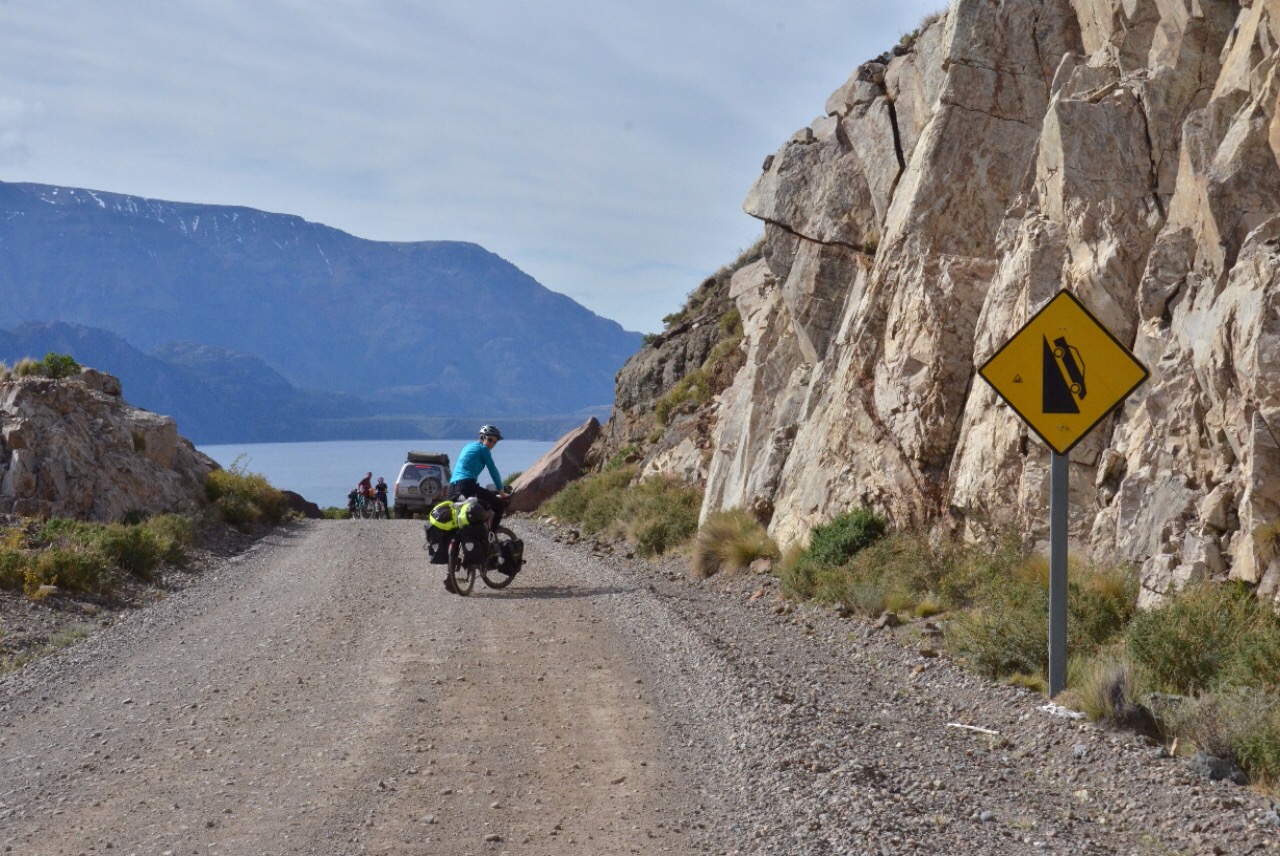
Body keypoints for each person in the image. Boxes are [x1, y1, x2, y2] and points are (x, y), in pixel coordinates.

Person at [449, 424, 512, 530]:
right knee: (499, 506)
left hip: (452, 487)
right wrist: (501, 492)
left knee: (459, 516)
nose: (492, 444)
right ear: (482, 437)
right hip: (466, 485)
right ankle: (491, 535)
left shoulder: (468, 446)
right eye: (490, 440)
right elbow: (493, 470)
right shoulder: (483, 449)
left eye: (495, 442)